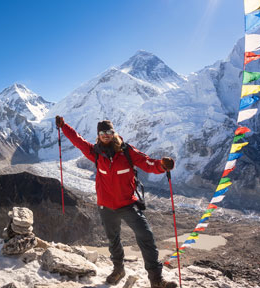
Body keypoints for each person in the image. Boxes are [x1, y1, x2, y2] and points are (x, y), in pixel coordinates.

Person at [55, 116, 177, 288]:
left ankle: (156, 279)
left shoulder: (127, 151)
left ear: (114, 133)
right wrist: (64, 126)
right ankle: (118, 270)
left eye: (109, 131)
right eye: (102, 132)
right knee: (113, 240)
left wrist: (162, 165)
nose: (106, 135)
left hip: (128, 204)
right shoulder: (95, 152)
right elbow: (78, 141)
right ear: (98, 135)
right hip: (106, 206)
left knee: (146, 236)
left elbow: (147, 163)